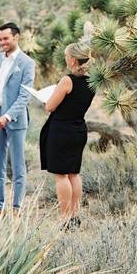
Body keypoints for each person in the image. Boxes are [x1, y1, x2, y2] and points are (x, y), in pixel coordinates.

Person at [39, 25, 95, 225]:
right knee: (74, 173)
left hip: (61, 130)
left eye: (66, 56)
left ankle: (64, 217)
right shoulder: (92, 82)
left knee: (61, 175)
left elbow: (50, 106)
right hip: (79, 129)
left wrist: (46, 99)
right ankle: (75, 215)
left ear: (72, 59)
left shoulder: (67, 81)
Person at [0, 22, 35, 214]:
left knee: (18, 164)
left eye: (5, 38)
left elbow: (24, 96)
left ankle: (17, 206)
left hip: (15, 119)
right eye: (0, 39)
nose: (2, 42)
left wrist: (8, 116)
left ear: (16, 37)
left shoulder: (27, 63)